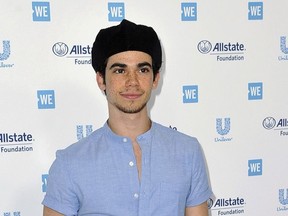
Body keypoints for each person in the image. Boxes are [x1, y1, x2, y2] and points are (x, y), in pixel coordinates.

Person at [42, 19, 212, 216]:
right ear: (101, 80)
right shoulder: (69, 164)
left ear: (155, 78)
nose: (132, 81)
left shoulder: (187, 152)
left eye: (143, 70)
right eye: (120, 70)